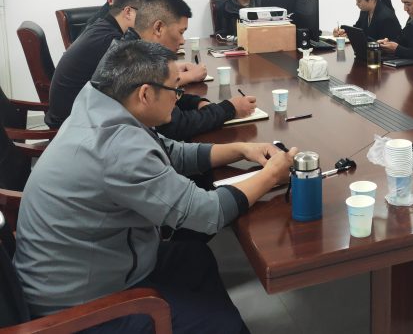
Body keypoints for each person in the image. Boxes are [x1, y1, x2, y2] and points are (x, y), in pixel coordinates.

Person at [14, 40, 297, 332]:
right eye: (175, 89)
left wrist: (242, 149)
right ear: (146, 94)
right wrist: (271, 176)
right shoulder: (116, 147)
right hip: (81, 309)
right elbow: (207, 213)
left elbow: (170, 152)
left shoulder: (101, 105)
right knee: (224, 325)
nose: (178, 97)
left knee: (194, 256)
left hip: (93, 265)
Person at [122, 0, 257, 141]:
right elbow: (176, 126)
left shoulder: (130, 49)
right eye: (181, 32)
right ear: (159, 28)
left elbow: (166, 94)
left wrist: (197, 102)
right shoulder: (137, 62)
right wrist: (230, 108)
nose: (182, 41)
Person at [45, 0, 151, 128]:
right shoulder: (109, 40)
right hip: (71, 121)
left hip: (68, 110)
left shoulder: (102, 26)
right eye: (145, 15)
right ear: (128, 12)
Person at [333, 0, 401, 41]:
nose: (356, 4)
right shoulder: (365, 11)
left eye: (359, 1)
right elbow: (357, 29)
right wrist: (343, 32)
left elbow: (385, 45)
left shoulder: (386, 18)